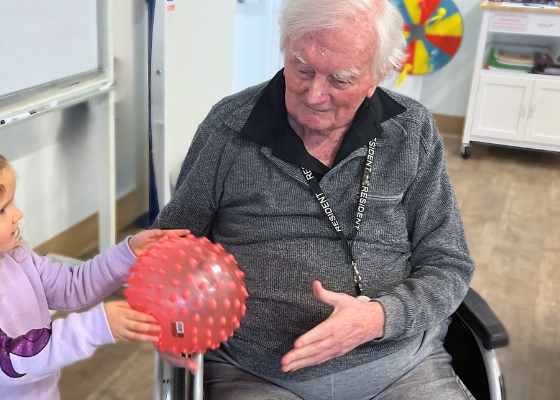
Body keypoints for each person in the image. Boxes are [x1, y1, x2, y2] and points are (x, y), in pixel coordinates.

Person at [153, 0, 474, 398]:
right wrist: (171, 320)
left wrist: (378, 318)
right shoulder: (229, 128)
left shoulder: (411, 131)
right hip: (259, 372)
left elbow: (449, 262)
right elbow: (170, 243)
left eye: (340, 79)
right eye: (302, 69)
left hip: (400, 366)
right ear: (285, 48)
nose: (315, 95)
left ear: (379, 75)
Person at [0, 136, 188, 399]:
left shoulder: (13, 258)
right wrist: (93, 327)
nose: (18, 214)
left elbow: (72, 288)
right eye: (0, 211)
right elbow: (4, 359)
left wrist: (129, 253)